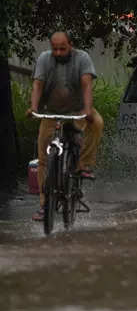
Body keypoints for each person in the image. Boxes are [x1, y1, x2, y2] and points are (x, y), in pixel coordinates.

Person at [26, 32, 104, 221]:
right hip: (51, 112)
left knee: (97, 123)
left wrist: (87, 111)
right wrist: (34, 108)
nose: (59, 53)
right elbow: (37, 85)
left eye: (63, 48)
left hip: (78, 111)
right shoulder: (45, 59)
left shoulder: (82, 58)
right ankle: (45, 205)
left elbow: (86, 86)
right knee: (44, 159)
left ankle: (83, 165)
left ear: (71, 45)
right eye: (55, 49)